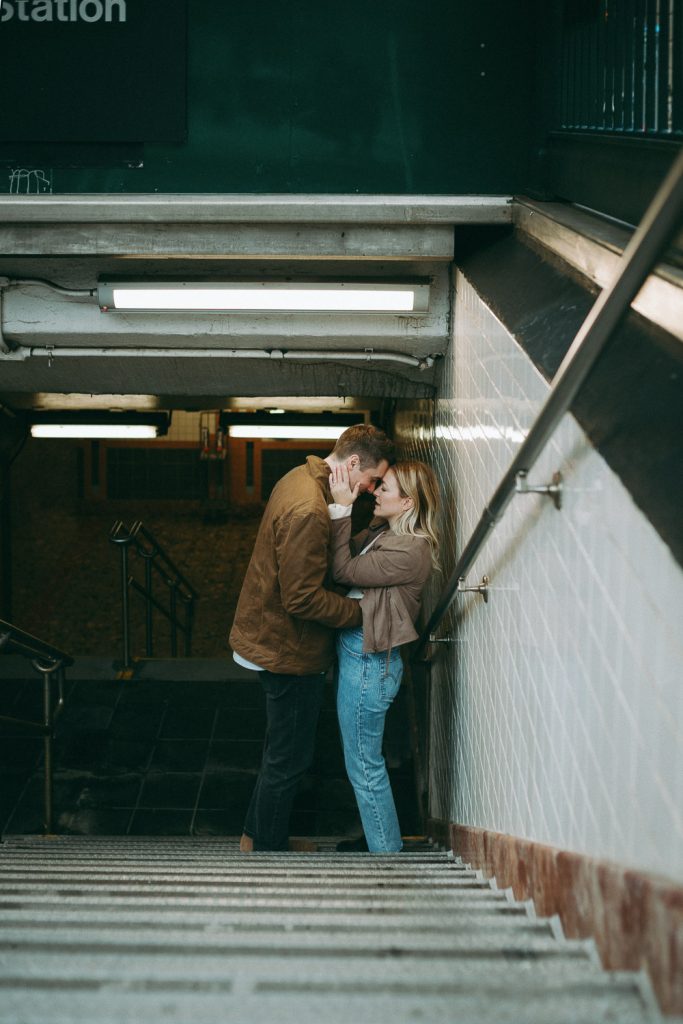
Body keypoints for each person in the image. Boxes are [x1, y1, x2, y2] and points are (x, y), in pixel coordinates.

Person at [229, 423, 394, 852]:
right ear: (354, 462)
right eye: (373, 479)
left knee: (278, 749)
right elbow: (302, 599)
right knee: (289, 758)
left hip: (271, 636)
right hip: (287, 649)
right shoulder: (309, 509)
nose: (372, 489)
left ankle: (256, 837)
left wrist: (340, 514)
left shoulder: (300, 478)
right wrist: (361, 614)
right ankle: (267, 850)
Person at [327, 459, 440, 853]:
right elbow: (352, 550)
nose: (376, 492)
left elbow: (342, 569)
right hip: (362, 654)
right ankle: (381, 841)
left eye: (385, 489)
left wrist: (340, 508)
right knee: (361, 761)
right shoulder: (387, 532)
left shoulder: (410, 550)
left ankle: (386, 856)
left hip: (370, 663)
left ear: (408, 503)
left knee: (364, 764)